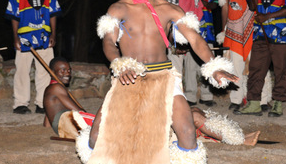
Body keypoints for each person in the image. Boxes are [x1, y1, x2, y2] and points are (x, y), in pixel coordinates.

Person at [76, 0, 237, 164]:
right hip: (129, 76)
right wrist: (119, 63)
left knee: (185, 128)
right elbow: (109, 42)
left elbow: (194, 38)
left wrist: (212, 65)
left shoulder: (167, 8)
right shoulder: (119, 8)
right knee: (98, 133)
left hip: (164, 76)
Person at [44, 57, 260, 145]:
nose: (66, 73)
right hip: (78, 124)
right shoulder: (55, 88)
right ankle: (236, 139)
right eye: (62, 70)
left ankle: (231, 135)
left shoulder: (52, 90)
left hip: (71, 124)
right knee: (191, 117)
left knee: (188, 113)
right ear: (52, 72)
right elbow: (79, 111)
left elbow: (50, 116)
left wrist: (49, 128)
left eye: (68, 70)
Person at [5, 0, 62, 115]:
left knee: (44, 70)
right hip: (24, 36)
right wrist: (16, 37)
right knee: (22, 70)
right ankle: (20, 103)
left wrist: (53, 34)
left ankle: (41, 103)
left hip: (44, 35)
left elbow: (53, 13)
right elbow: (14, 16)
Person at [218, 0, 272, 112]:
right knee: (236, 67)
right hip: (235, 31)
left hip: (255, 32)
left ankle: (263, 100)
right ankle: (236, 99)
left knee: (260, 67)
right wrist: (224, 29)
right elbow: (231, 7)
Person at [157, 0, 204, 84]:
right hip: (162, 31)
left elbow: (197, 15)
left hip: (182, 33)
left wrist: (187, 37)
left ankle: (178, 98)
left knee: (177, 70)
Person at [184, 0, 219, 106]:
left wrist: (206, 3)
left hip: (207, 30)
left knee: (208, 63)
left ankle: (207, 96)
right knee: (191, 66)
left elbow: (216, 3)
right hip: (191, 31)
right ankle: (191, 96)